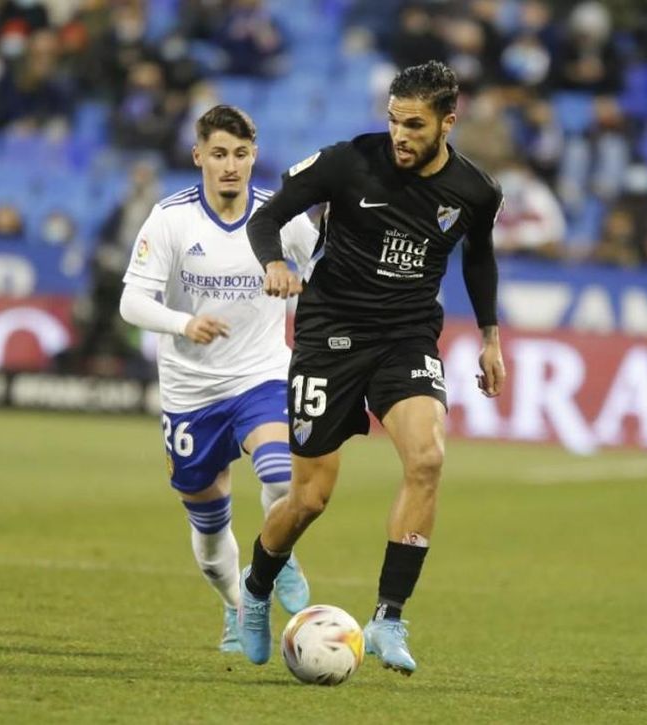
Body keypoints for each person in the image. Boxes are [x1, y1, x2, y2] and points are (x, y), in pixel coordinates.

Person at [237, 60, 506, 675]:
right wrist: (275, 263)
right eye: (393, 121)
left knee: (428, 459)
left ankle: (389, 617)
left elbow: (480, 259)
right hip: (329, 337)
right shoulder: (347, 162)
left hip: (406, 337)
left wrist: (491, 337)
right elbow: (266, 217)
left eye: (414, 124)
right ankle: (256, 589)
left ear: (447, 122)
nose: (400, 135)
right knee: (309, 499)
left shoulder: (475, 191)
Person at [118, 105, 317, 652]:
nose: (231, 166)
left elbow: (326, 278)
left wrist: (307, 287)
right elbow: (132, 301)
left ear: (254, 156)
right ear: (198, 156)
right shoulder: (171, 218)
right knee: (209, 539)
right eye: (219, 154)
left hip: (261, 377)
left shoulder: (283, 217)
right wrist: (184, 323)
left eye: (241, 154)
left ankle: (275, 557)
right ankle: (235, 606)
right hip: (190, 394)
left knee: (282, 478)